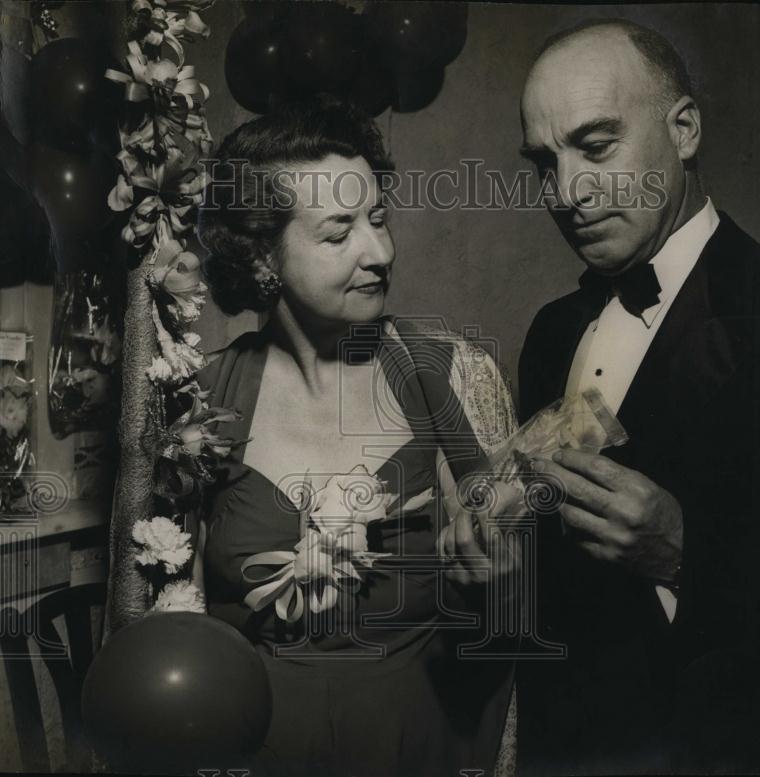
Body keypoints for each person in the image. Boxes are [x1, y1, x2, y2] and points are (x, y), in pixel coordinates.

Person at [515, 19, 760, 775]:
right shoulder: (552, 332)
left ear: (684, 129)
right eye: (544, 162)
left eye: (596, 148)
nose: (567, 191)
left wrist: (688, 553)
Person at [190, 97, 520, 777]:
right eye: (339, 233)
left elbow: (513, 619)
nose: (381, 251)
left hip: (419, 746)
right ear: (263, 256)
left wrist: (491, 579)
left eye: (377, 219)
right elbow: (166, 618)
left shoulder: (452, 374)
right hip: (251, 751)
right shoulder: (198, 404)